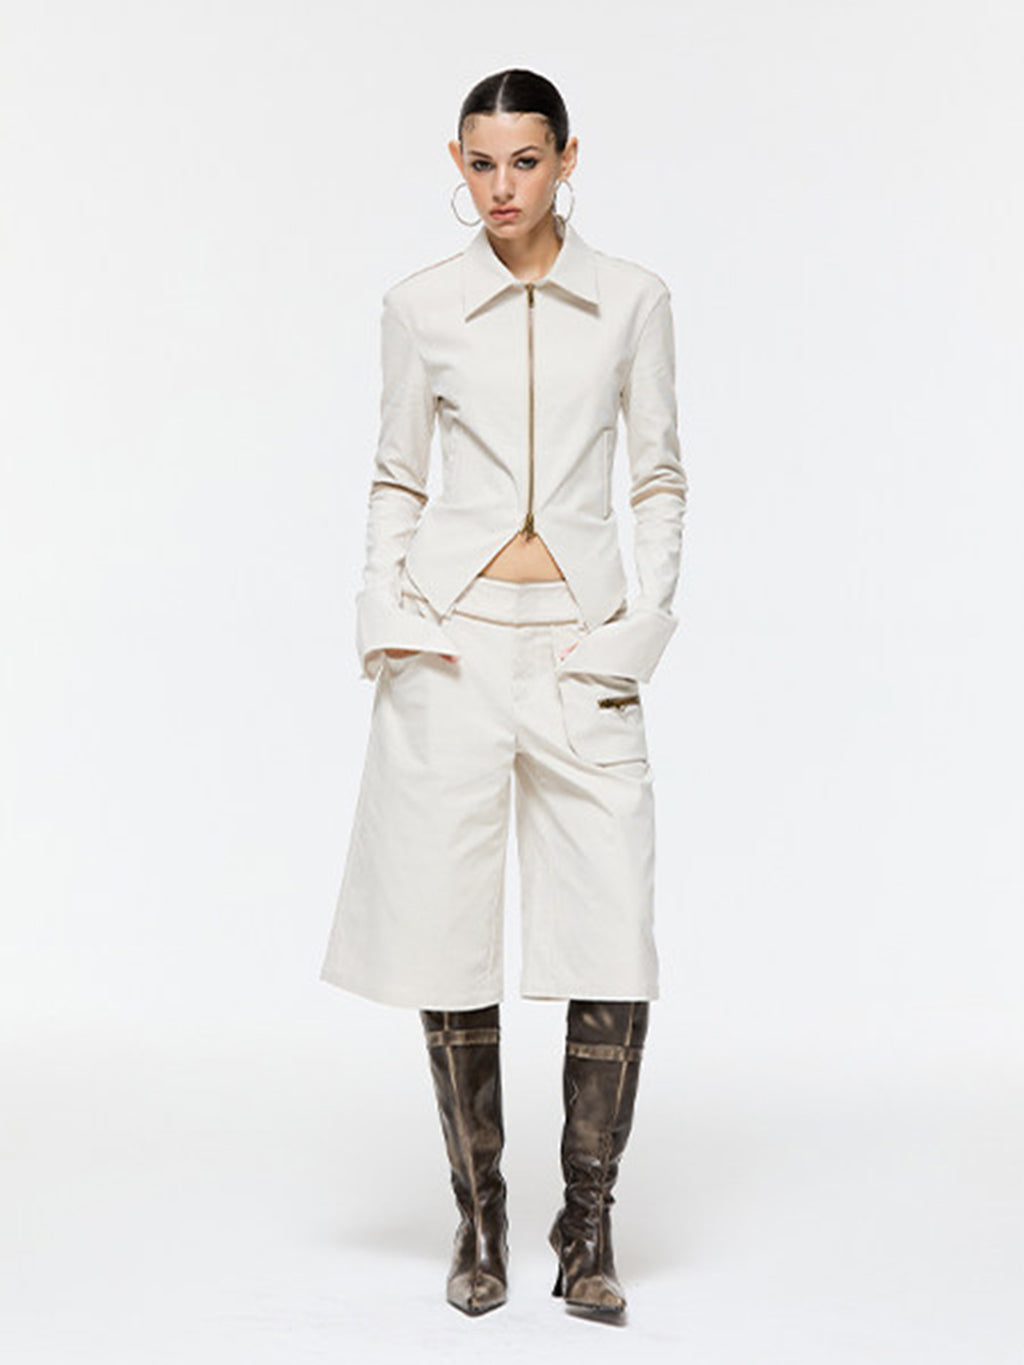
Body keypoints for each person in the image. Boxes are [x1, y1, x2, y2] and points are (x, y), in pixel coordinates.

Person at [319, 67, 687, 1322]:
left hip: (581, 644)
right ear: (457, 162)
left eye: (525, 161)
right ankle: (478, 1215)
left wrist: (639, 624)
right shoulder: (420, 305)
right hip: (452, 646)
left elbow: (657, 474)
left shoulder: (631, 300)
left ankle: (588, 1225)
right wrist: (389, 623)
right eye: (480, 163)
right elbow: (394, 474)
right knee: (446, 923)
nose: (501, 187)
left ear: (567, 159)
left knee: (611, 926)